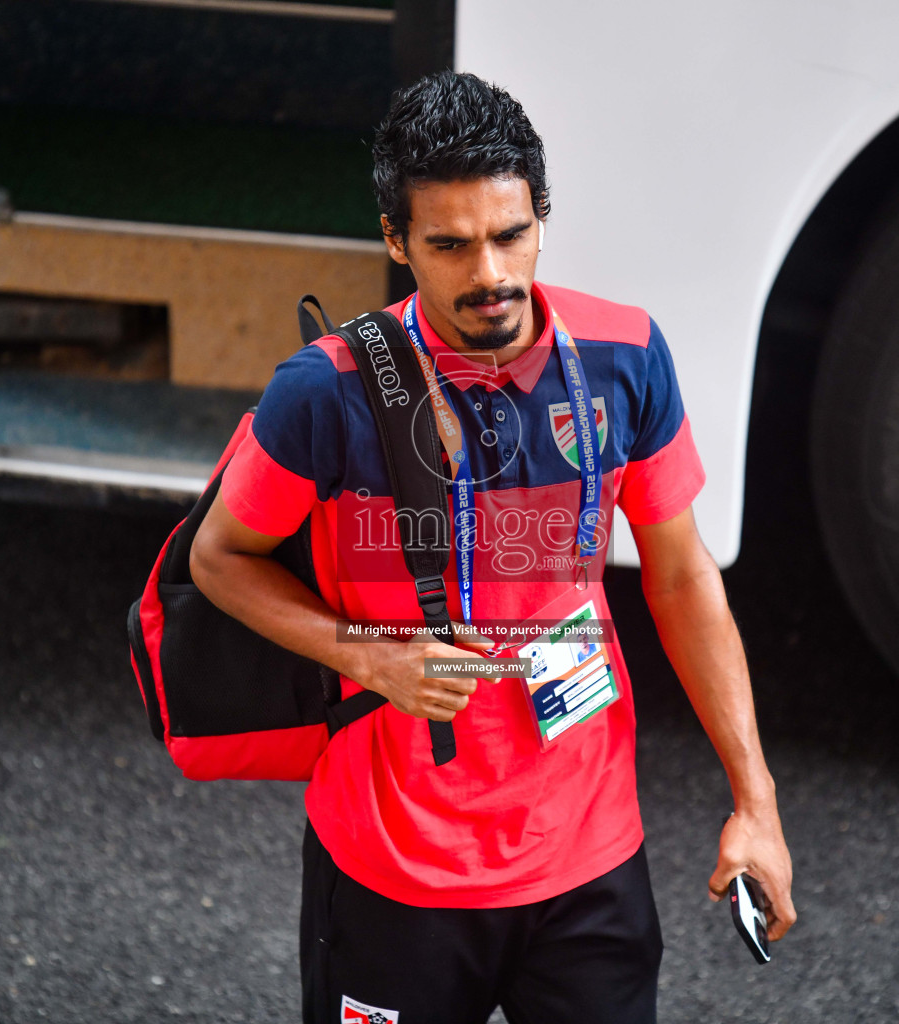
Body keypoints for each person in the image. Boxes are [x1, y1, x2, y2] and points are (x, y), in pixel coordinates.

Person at [190, 70, 795, 1024]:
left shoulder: (626, 356)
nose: (490, 275)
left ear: (541, 217)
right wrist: (367, 658)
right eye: (450, 245)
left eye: (511, 235)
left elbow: (682, 579)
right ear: (396, 242)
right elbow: (217, 558)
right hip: (395, 870)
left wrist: (754, 802)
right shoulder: (327, 390)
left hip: (589, 858)